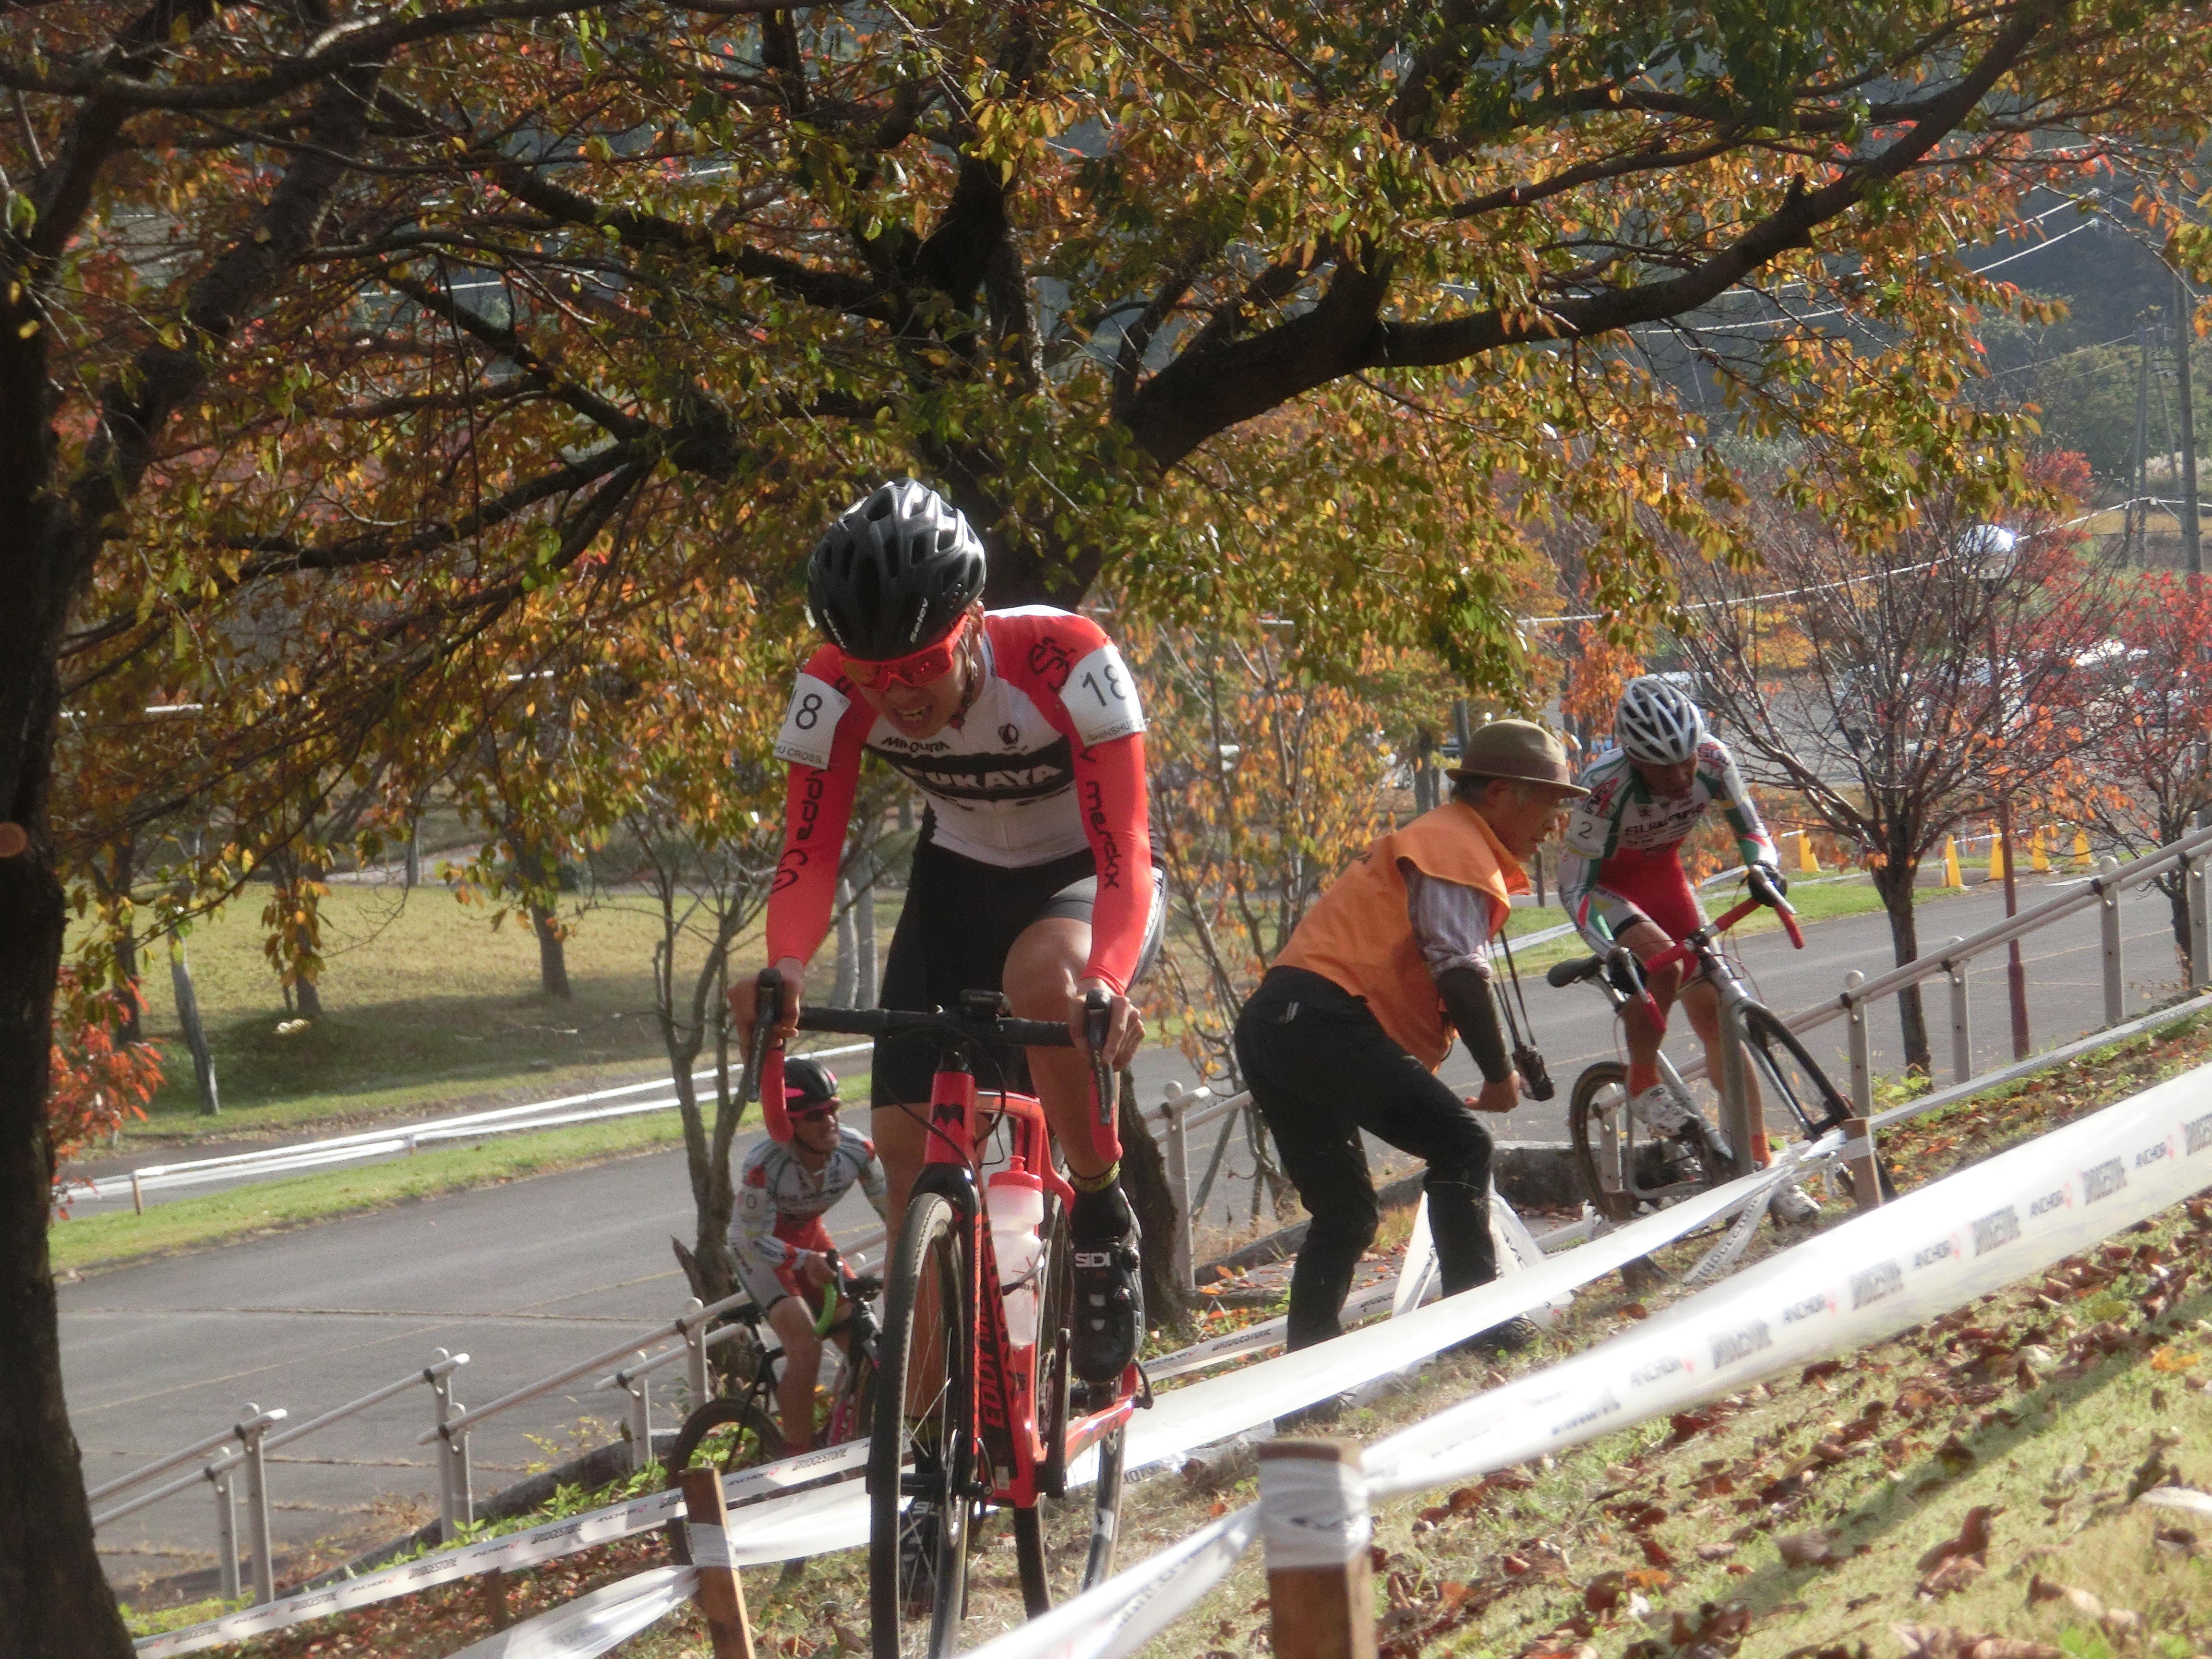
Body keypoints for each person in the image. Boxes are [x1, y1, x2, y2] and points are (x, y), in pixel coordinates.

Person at [732, 479, 1165, 1390]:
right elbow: (807, 854)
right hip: (958, 878)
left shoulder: (1066, 657)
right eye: (873, 676)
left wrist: (1111, 978)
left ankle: (1098, 1213)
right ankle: (925, 1476)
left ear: (971, 623)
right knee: (905, 1154)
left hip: (1082, 876)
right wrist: (781, 968)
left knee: (1043, 979)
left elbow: (1126, 846)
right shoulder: (825, 686)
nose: (899, 694)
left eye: (919, 665)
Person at [1234, 719, 1588, 1359]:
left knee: (1345, 1214)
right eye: (1549, 803)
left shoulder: (1445, 842)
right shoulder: (1453, 849)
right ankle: (1481, 1329)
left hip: (1273, 1024)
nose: (1553, 823)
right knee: (1462, 1144)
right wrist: (1498, 1072)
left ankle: (1306, 1386)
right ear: (1501, 794)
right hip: (1319, 1019)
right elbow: (1459, 971)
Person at [1555, 675, 1817, 1223]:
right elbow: (1574, 886)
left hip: (1667, 880)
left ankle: (1763, 1168)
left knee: (1722, 1015)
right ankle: (1643, 1077)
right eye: (1662, 767)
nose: (1679, 776)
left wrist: (1764, 870)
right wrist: (1610, 951)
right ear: (1632, 758)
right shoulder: (1604, 786)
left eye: (1684, 762)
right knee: (1660, 960)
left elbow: (1752, 829)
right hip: (1611, 888)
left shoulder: (1714, 758)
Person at [728, 1058, 888, 1453]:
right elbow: (753, 1238)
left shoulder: (859, 1152)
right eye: (815, 1116)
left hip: (811, 1239)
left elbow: (897, 1213)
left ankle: (842, 1435)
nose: (829, 1121)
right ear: (790, 1125)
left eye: (833, 1109)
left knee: (864, 1338)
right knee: (806, 1346)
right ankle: (797, 1460)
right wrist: (802, 1261)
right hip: (760, 1251)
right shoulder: (764, 1166)